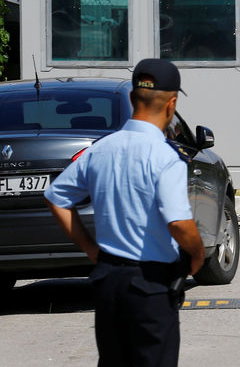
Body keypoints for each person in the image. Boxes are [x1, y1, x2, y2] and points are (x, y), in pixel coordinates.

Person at [44, 58, 205, 367]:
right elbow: (179, 223)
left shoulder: (100, 149)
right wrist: (197, 254)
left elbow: (56, 198)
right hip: (151, 285)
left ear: (133, 98)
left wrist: (91, 249)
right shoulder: (166, 157)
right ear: (172, 105)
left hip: (108, 281)